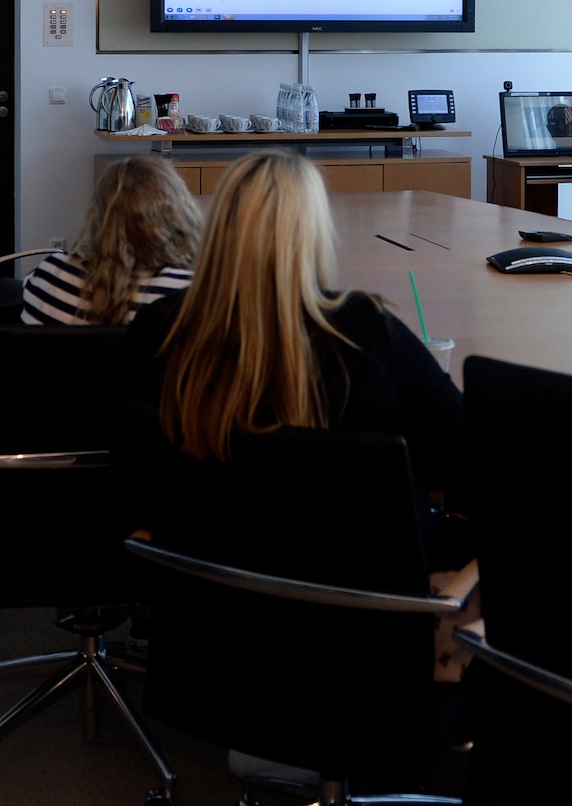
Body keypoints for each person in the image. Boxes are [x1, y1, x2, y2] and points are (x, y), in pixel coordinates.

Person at [120, 152, 466, 568]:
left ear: (217, 229)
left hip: (207, 595)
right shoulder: (365, 331)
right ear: (314, 233)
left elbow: (135, 471)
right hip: (360, 601)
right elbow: (463, 449)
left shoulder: (159, 328)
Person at [0, 156, 200, 476]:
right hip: (144, 484)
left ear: (100, 216)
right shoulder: (193, 295)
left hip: (17, 480)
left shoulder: (49, 279)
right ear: (178, 213)